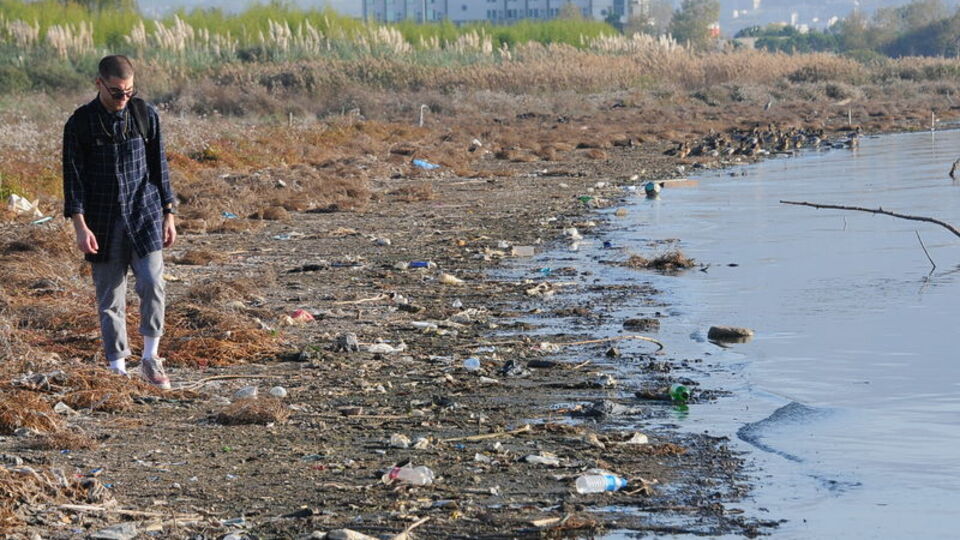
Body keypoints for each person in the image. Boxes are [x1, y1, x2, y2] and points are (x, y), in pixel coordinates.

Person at [62, 55, 176, 389]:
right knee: (110, 299)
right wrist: (80, 226)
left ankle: (151, 358)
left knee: (152, 284)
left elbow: (160, 167)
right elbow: (73, 179)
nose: (123, 98)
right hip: (101, 221)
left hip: (145, 215)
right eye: (116, 92)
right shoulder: (80, 124)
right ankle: (117, 369)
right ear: (99, 83)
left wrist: (169, 214)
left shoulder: (144, 115)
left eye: (129, 91)